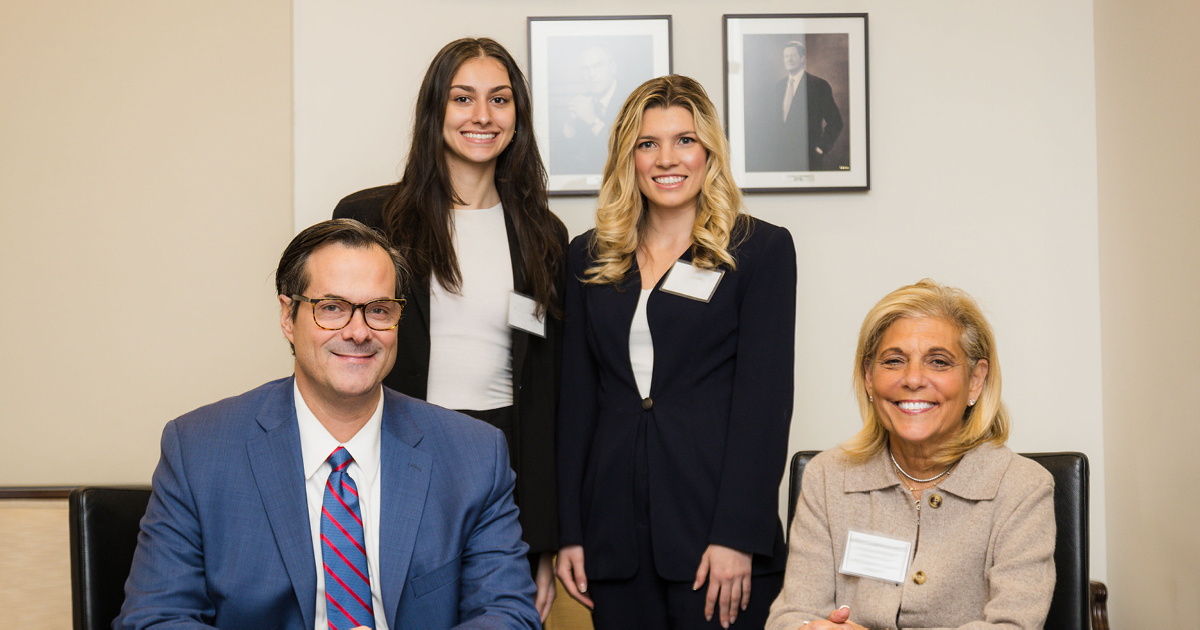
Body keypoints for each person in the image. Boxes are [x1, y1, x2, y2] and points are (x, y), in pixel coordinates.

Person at [116, 219, 538, 629]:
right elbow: (155, 618)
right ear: (288, 317)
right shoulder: (199, 450)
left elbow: (509, 615)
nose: (358, 332)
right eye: (332, 308)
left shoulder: (474, 454)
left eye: (378, 310)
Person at [333, 37, 566, 620]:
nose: (482, 116)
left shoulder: (544, 234)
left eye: (500, 99)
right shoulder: (370, 219)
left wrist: (542, 538)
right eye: (463, 98)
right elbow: (337, 346)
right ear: (435, 109)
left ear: (519, 116)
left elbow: (547, 396)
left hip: (501, 460)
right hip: (397, 445)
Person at [556, 74, 797, 630]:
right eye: (648, 143)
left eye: (684, 140)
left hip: (715, 535)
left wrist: (737, 534)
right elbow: (576, 405)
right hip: (613, 537)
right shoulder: (587, 256)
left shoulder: (759, 249)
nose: (668, 159)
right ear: (628, 157)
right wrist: (570, 530)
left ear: (709, 150)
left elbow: (764, 403)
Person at [766, 279, 1056, 629]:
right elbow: (790, 616)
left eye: (938, 361)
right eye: (894, 361)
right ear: (869, 377)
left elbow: (1013, 626)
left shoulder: (1022, 487)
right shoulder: (827, 476)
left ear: (976, 381)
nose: (913, 379)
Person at [750, 41, 843, 173]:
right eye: (786, 56)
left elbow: (836, 122)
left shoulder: (818, 85)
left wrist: (821, 148)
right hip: (781, 159)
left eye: (793, 55)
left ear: (802, 58)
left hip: (809, 158)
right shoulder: (780, 86)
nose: (789, 59)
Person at [549, 44, 636, 175]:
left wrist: (593, 121)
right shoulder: (583, 104)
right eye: (585, 68)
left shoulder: (633, 100)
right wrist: (570, 126)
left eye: (598, 66)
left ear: (612, 67)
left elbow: (627, 156)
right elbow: (557, 161)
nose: (592, 74)